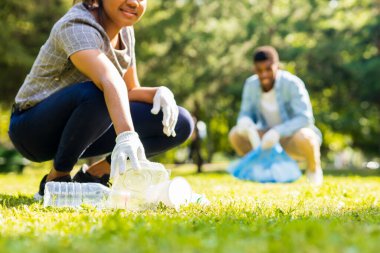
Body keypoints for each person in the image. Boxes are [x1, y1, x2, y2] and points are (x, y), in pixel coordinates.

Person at [7, 0, 194, 199]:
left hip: (85, 126)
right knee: (100, 91)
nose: (133, 2)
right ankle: (56, 180)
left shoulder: (125, 30)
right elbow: (109, 80)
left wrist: (158, 92)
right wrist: (127, 136)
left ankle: (95, 175)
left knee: (180, 122)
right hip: (31, 130)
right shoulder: (76, 24)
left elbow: (129, 90)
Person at [229, 46, 323, 185]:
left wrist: (277, 132)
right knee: (235, 135)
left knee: (307, 137)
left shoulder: (292, 83)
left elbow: (305, 118)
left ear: (277, 66)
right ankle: (258, 169)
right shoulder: (251, 84)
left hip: (291, 138)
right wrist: (245, 122)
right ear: (254, 68)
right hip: (265, 138)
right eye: (259, 70)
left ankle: (314, 170)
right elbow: (245, 113)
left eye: (268, 69)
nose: (264, 75)